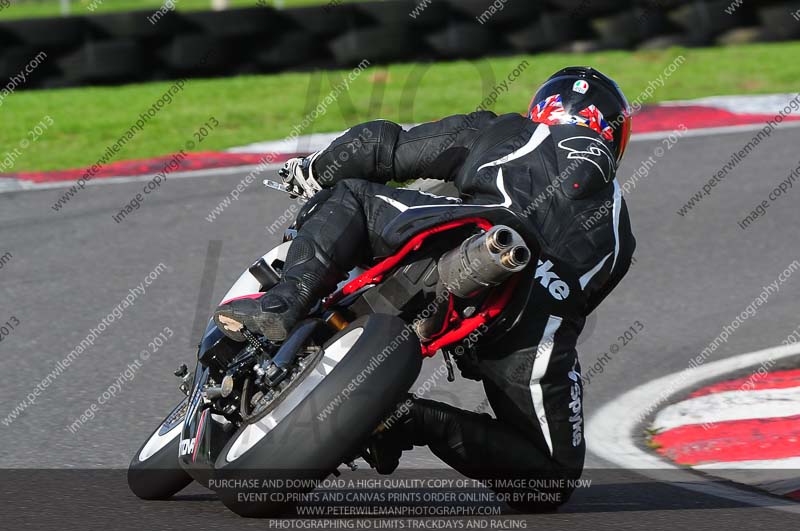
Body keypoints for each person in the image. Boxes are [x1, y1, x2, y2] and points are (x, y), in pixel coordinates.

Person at [214, 67, 636, 510]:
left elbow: (382, 147)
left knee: (352, 196)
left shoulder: (510, 129)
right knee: (553, 478)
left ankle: (285, 302)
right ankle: (412, 421)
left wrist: (315, 171)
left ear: (545, 107)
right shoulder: (622, 235)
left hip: (461, 234)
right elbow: (579, 310)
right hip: (530, 318)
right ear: (614, 134)